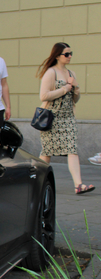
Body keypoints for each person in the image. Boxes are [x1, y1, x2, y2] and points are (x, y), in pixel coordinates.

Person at [37, 43, 94, 194]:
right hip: (52, 117)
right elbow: (44, 95)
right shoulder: (51, 72)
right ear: (57, 56)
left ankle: (79, 185)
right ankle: (37, 182)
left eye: (71, 53)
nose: (69, 57)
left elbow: (75, 99)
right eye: (66, 54)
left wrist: (75, 87)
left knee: (72, 149)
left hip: (68, 117)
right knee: (47, 152)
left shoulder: (71, 73)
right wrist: (64, 89)